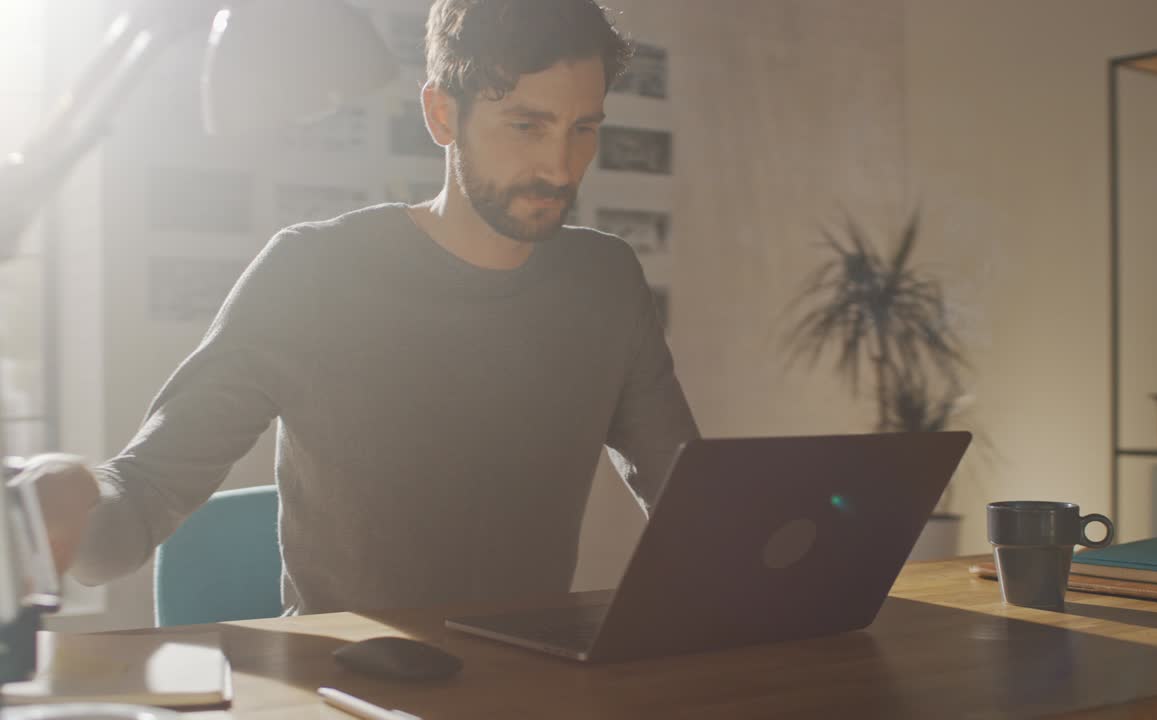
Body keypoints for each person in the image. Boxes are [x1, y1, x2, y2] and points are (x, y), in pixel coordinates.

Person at [22, 0, 698, 616]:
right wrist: (60, 504)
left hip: (526, 684)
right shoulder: (311, 273)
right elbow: (139, 500)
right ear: (441, 114)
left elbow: (692, 500)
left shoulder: (605, 280)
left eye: (583, 128)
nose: (560, 166)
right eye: (526, 125)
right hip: (342, 688)